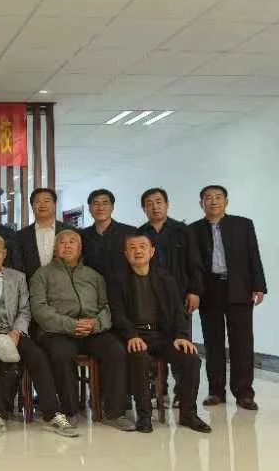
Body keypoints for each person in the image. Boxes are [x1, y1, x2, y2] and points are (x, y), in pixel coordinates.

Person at [29, 229, 144, 432]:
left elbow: (108, 306)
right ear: (55, 249)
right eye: (62, 242)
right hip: (58, 331)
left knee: (116, 351)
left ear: (80, 248)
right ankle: (70, 411)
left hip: (93, 330)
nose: (67, 245)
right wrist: (70, 325)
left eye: (72, 241)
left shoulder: (94, 276)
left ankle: (115, 412)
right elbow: (40, 310)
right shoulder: (42, 275)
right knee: (61, 354)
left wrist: (95, 324)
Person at [0, 235, 77, 438]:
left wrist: (16, 332)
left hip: (14, 332)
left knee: (37, 356)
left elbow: (25, 309)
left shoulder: (18, 277)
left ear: (4, 254)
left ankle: (52, 413)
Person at [108, 233, 211, 433]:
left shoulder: (166, 279)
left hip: (162, 336)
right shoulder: (117, 280)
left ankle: (188, 414)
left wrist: (181, 336)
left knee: (191, 359)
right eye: (132, 248)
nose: (138, 251)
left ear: (152, 251)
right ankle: (144, 415)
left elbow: (178, 311)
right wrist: (131, 335)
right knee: (139, 358)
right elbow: (117, 313)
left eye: (142, 247)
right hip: (134, 336)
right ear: (126, 253)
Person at [189, 185, 267, 410]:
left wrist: (259, 286)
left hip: (239, 288)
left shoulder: (243, 225)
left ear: (226, 201)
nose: (213, 201)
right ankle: (216, 391)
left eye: (218, 197)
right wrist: (194, 290)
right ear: (201, 203)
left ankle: (244, 393)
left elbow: (253, 255)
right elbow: (192, 264)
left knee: (242, 343)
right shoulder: (193, 230)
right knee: (213, 343)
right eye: (208, 198)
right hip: (210, 289)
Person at [138, 188, 203, 313]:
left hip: (180, 292)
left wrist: (194, 291)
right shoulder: (139, 234)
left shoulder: (183, 230)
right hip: (149, 293)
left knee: (181, 325)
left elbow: (195, 263)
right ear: (144, 208)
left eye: (159, 202)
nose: (155, 207)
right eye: (149, 204)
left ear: (167, 204)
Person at [80, 189, 136, 280]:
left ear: (112, 207)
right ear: (89, 208)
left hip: (124, 286)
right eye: (96, 203)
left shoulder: (130, 232)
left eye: (105, 203)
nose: (100, 208)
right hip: (92, 286)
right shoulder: (82, 236)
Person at [15, 188, 68, 279]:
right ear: (32, 206)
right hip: (31, 285)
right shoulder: (20, 236)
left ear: (54, 205)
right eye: (38, 201)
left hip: (65, 285)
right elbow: (18, 266)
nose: (42, 205)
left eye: (47, 201)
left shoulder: (71, 231)